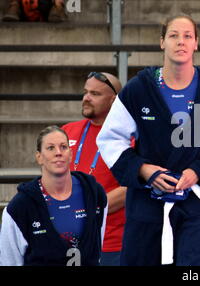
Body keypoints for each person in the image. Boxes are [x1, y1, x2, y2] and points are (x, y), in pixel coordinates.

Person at [96, 14, 200, 266]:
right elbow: (110, 139)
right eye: (173, 35)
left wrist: (197, 172)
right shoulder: (139, 89)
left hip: (195, 203)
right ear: (162, 42)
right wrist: (144, 169)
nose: (181, 42)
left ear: (196, 43)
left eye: (187, 36)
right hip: (146, 203)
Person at [0, 126, 107, 266]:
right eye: (50, 148)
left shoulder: (95, 194)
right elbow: (9, 262)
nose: (58, 153)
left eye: (63, 147)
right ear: (39, 157)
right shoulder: (19, 207)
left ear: (71, 154)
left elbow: (96, 251)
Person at [61, 72, 126, 266]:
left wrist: (85, 209)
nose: (86, 98)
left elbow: (131, 189)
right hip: (67, 242)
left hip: (110, 244)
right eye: (85, 92)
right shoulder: (67, 131)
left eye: (95, 94)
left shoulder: (128, 136)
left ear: (113, 100)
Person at [2, 0, 67, 22]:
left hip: (47, 9)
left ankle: (57, 7)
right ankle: (14, 5)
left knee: (56, 5)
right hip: (23, 9)